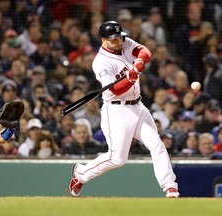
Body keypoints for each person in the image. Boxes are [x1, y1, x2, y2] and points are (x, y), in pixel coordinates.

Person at [68, 21, 179, 198]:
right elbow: (116, 90)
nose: (118, 42)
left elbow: (145, 52)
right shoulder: (100, 62)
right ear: (103, 40)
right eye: (113, 39)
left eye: (120, 37)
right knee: (117, 159)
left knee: (157, 144)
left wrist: (139, 62)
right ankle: (81, 173)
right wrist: (131, 78)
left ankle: (170, 187)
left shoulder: (125, 42)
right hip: (116, 111)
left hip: (138, 106)